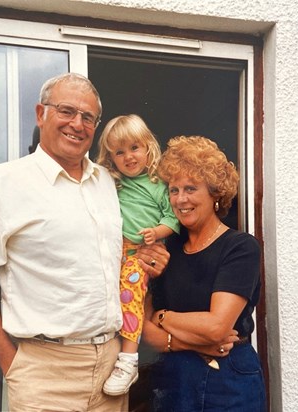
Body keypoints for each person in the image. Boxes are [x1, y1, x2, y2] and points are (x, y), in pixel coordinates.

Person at [0, 72, 169, 412]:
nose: (77, 123)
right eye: (66, 111)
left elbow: (126, 254)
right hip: (43, 373)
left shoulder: (110, 183)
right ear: (40, 113)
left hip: (111, 366)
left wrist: (153, 256)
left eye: (88, 117)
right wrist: (13, 366)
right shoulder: (2, 183)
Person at [143, 136, 266, 412]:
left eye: (190, 188)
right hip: (174, 378)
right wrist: (173, 339)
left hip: (229, 377)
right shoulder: (167, 249)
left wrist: (164, 318)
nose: (180, 199)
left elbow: (217, 328)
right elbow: (144, 329)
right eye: (173, 190)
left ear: (215, 194)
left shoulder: (240, 247)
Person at [96, 114, 180, 396]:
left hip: (142, 252)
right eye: (119, 152)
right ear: (110, 157)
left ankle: (128, 360)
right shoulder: (111, 182)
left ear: (148, 148)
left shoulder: (158, 185)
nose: (128, 157)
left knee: (130, 294)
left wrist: (157, 232)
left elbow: (173, 219)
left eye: (134, 148)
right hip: (115, 252)